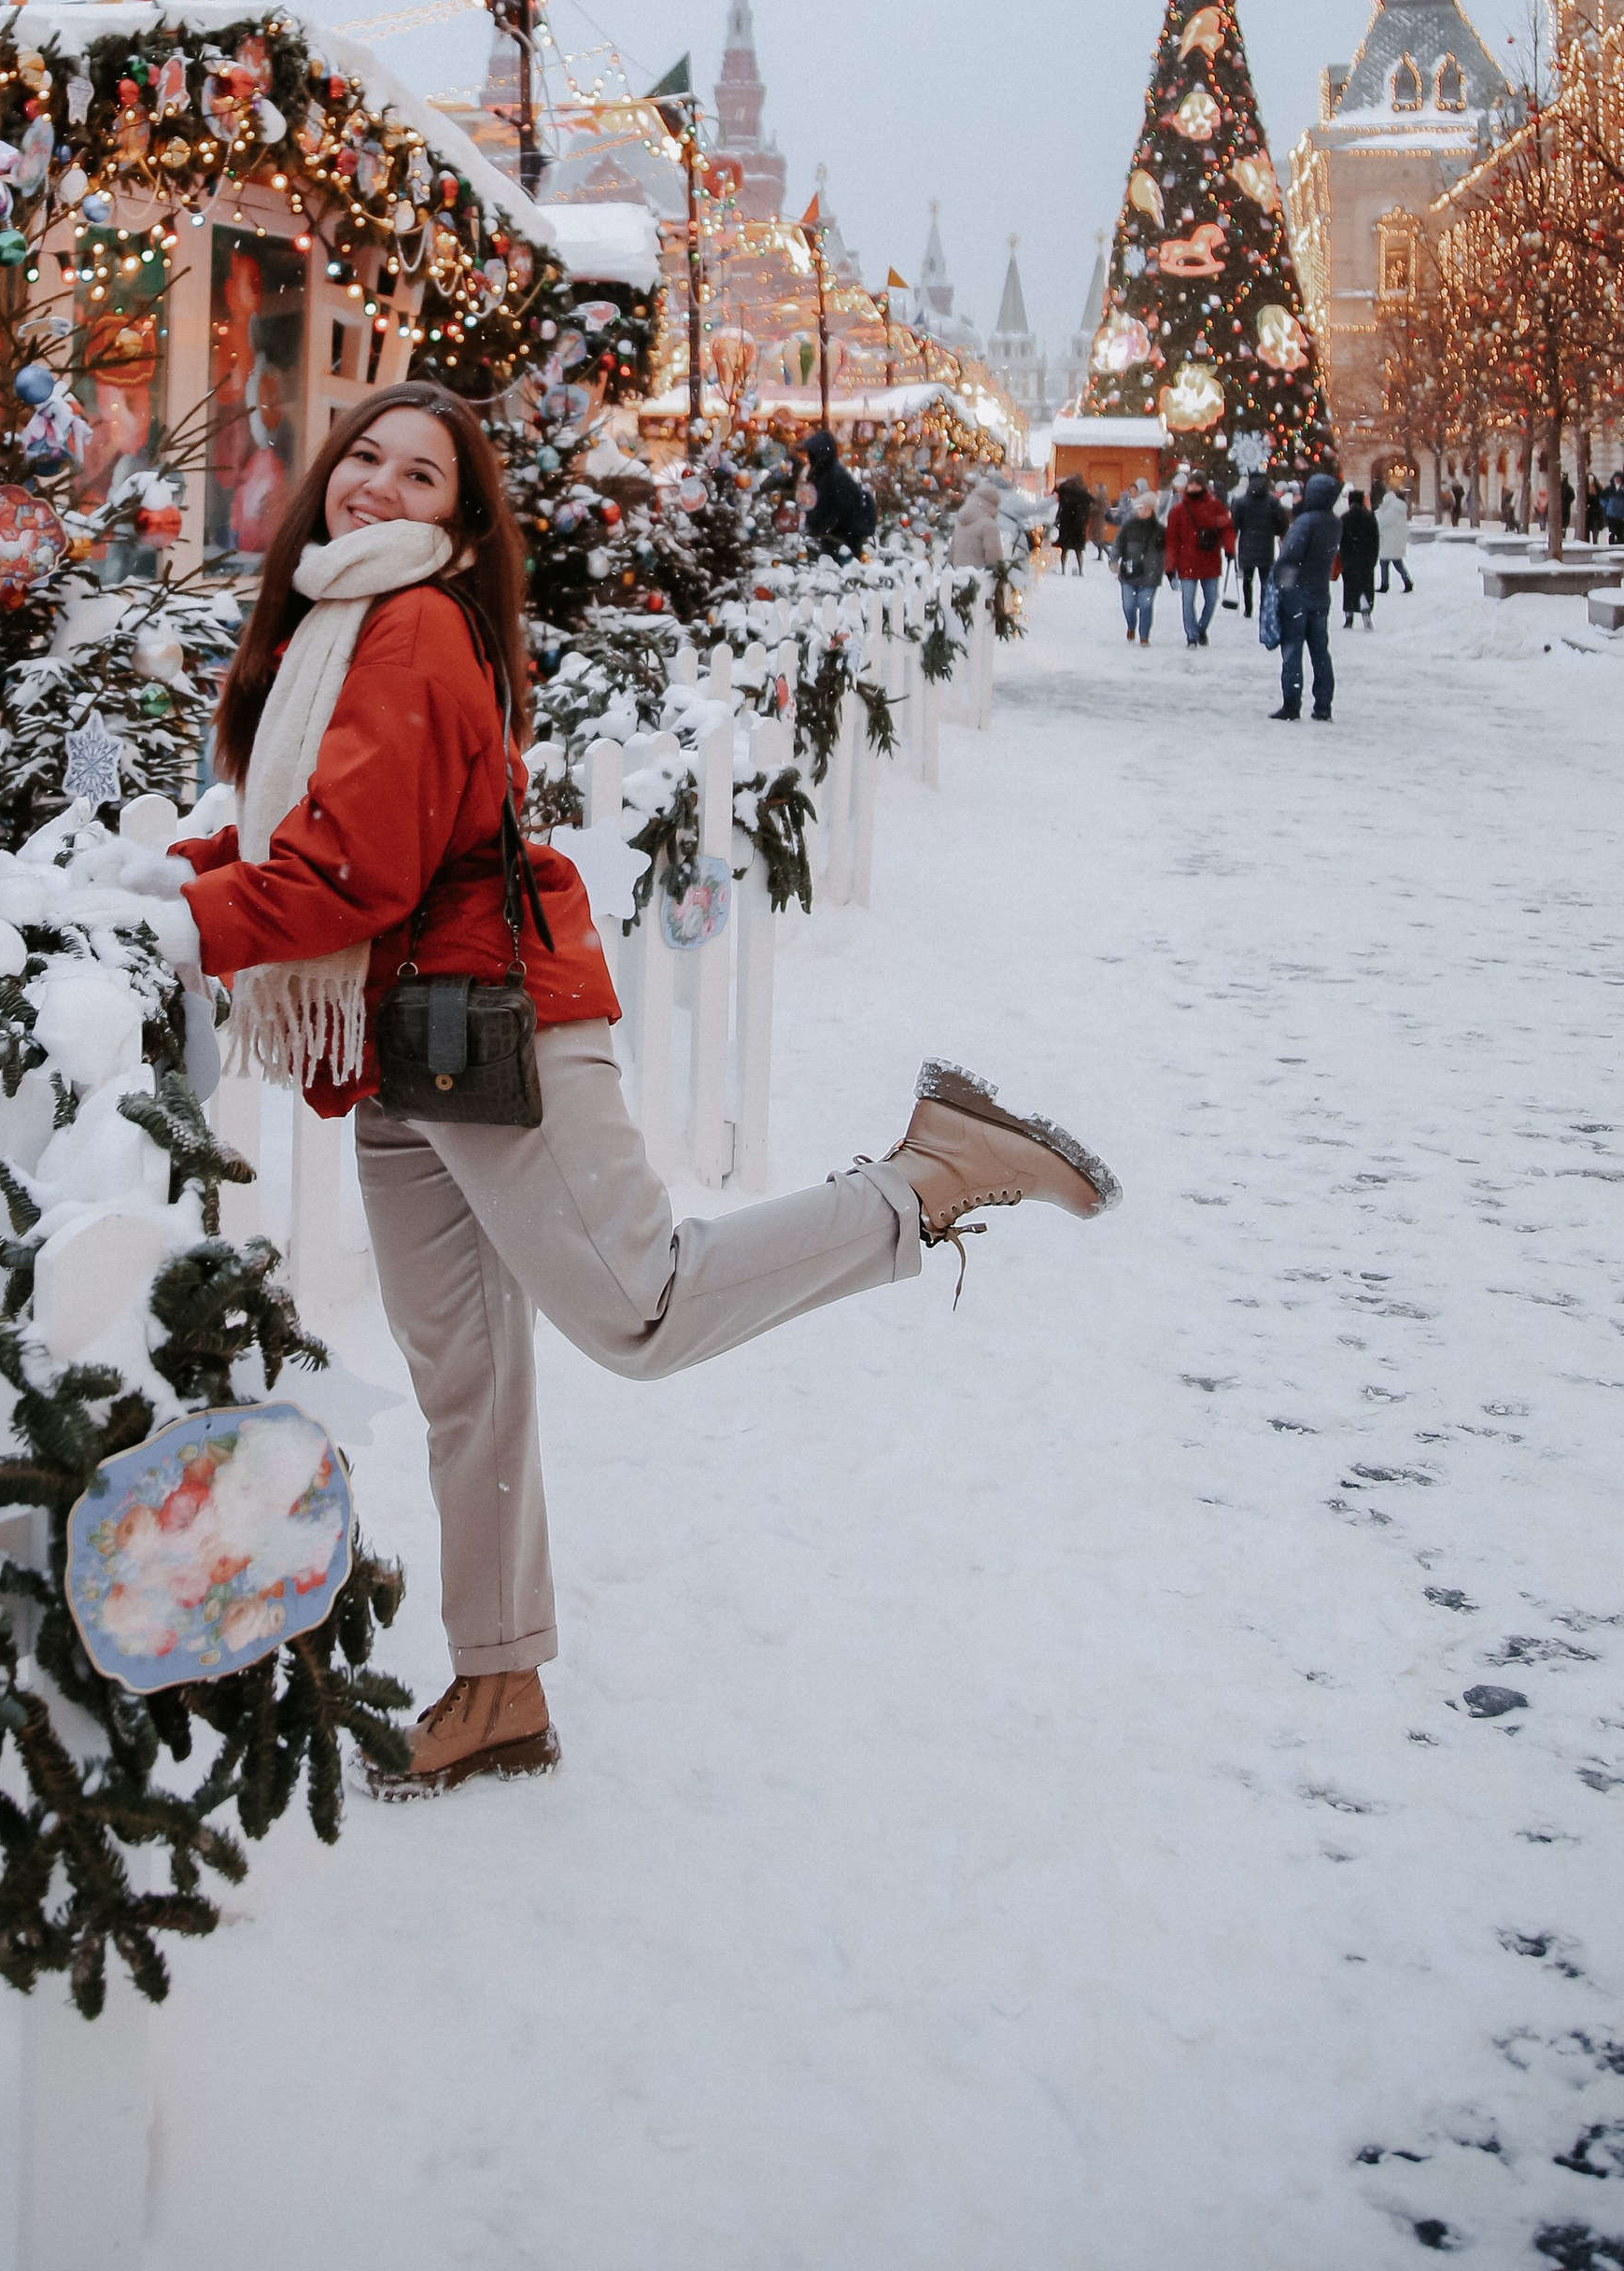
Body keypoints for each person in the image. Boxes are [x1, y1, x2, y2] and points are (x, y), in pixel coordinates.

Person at [135, 383, 1118, 1798]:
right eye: (365, 458)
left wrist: (184, 923)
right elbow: (315, 828)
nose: (377, 487)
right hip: (408, 1043)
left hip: (492, 1027)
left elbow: (356, 869)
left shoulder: (408, 622)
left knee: (642, 1306)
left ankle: (927, 1179)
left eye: (420, 477)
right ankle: (500, 1686)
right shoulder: (331, 622)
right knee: (467, 1377)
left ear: (460, 526)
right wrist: (177, 877)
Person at [1271, 471, 1342, 721]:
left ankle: (1291, 704)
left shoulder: (1305, 522)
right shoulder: (1334, 522)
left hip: (1297, 593)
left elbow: (1290, 557)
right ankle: (1323, 704)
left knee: (1293, 650)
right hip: (1320, 592)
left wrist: (1279, 581)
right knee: (1320, 651)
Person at [1164, 469, 1233, 647]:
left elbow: (1227, 528)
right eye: (1191, 484)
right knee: (1188, 601)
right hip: (1189, 561)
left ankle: (1200, 628)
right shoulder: (1178, 511)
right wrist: (1170, 565)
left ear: (1203, 486)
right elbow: (1171, 540)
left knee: (1211, 600)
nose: (1193, 488)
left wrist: (1230, 548)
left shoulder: (1215, 506)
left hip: (1209, 559)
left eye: (1197, 485)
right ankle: (1192, 635)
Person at [801, 424, 876, 559]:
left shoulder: (834, 475)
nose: (808, 457)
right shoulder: (823, 473)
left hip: (841, 539)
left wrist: (824, 528)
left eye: (811, 454)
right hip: (834, 536)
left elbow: (844, 506)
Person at [1231, 470, 1287, 618]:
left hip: (1247, 545)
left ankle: (1248, 608)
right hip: (1266, 546)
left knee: (1247, 579)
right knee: (1265, 580)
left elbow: (1235, 524)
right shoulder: (1272, 501)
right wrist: (1275, 531)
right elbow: (1282, 523)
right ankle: (1264, 607)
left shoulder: (1242, 502)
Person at [1112, 487, 1165, 645]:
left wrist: (1165, 567)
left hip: (1151, 573)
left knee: (1146, 605)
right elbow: (1118, 543)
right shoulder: (1129, 526)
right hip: (1129, 571)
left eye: (1146, 508)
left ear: (1152, 510)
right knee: (1128, 605)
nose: (1142, 511)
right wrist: (1114, 560)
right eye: (1140, 508)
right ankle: (1131, 626)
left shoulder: (1160, 530)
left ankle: (1144, 636)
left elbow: (1167, 551)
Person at [1339, 483, 1379, 627]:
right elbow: (1375, 540)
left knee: (1349, 588)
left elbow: (1341, 541)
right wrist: (1373, 560)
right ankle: (1366, 610)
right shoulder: (1370, 518)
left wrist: (1343, 559)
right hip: (1366, 559)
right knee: (1366, 586)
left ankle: (1349, 616)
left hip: (1349, 559)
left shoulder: (1345, 518)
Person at [1373, 478, 1413, 595]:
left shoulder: (1391, 510)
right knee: (1397, 563)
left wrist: (1378, 512)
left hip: (1389, 541)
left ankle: (1386, 584)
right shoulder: (1398, 508)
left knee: (1385, 563)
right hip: (1395, 541)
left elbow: (1382, 522)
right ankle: (1407, 582)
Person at [1052, 471, 1093, 571]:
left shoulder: (1065, 489)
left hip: (1066, 521)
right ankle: (1081, 570)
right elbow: (1090, 503)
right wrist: (1085, 518)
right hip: (1079, 523)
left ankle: (1063, 569)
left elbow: (1055, 494)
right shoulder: (1083, 491)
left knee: (1064, 548)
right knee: (1078, 550)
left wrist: (1058, 518)